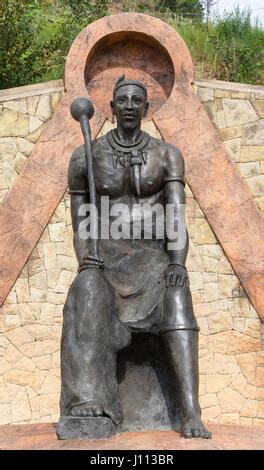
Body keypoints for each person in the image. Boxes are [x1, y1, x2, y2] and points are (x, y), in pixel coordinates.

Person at [59, 76, 211, 439]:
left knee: (176, 296)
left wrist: (177, 262)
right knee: (87, 290)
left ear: (147, 108)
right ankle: (88, 400)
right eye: (122, 100)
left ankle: (190, 412)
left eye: (136, 100)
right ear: (111, 108)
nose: (129, 106)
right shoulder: (86, 155)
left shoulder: (166, 154)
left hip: (153, 260)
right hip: (105, 258)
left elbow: (175, 215)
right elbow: (81, 217)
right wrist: (87, 257)